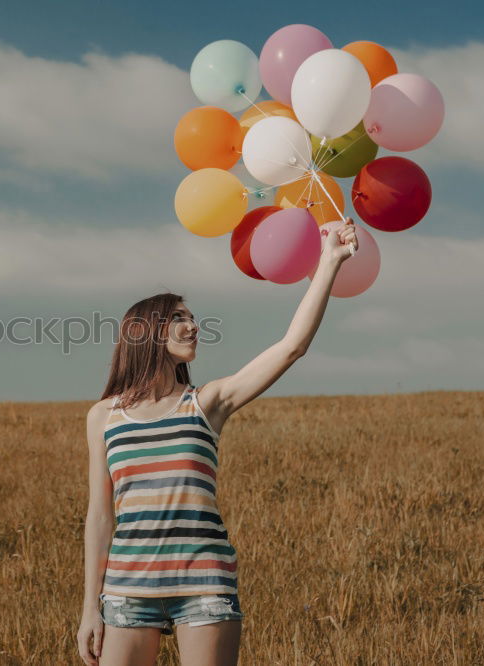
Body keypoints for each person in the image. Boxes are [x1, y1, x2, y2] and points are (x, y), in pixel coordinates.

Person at [77, 218, 359, 665]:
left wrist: (329, 263)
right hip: (127, 590)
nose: (192, 327)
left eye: (192, 318)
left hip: (204, 585)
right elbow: (99, 517)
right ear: (146, 331)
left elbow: (291, 347)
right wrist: (89, 607)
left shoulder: (207, 402)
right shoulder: (103, 417)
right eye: (178, 318)